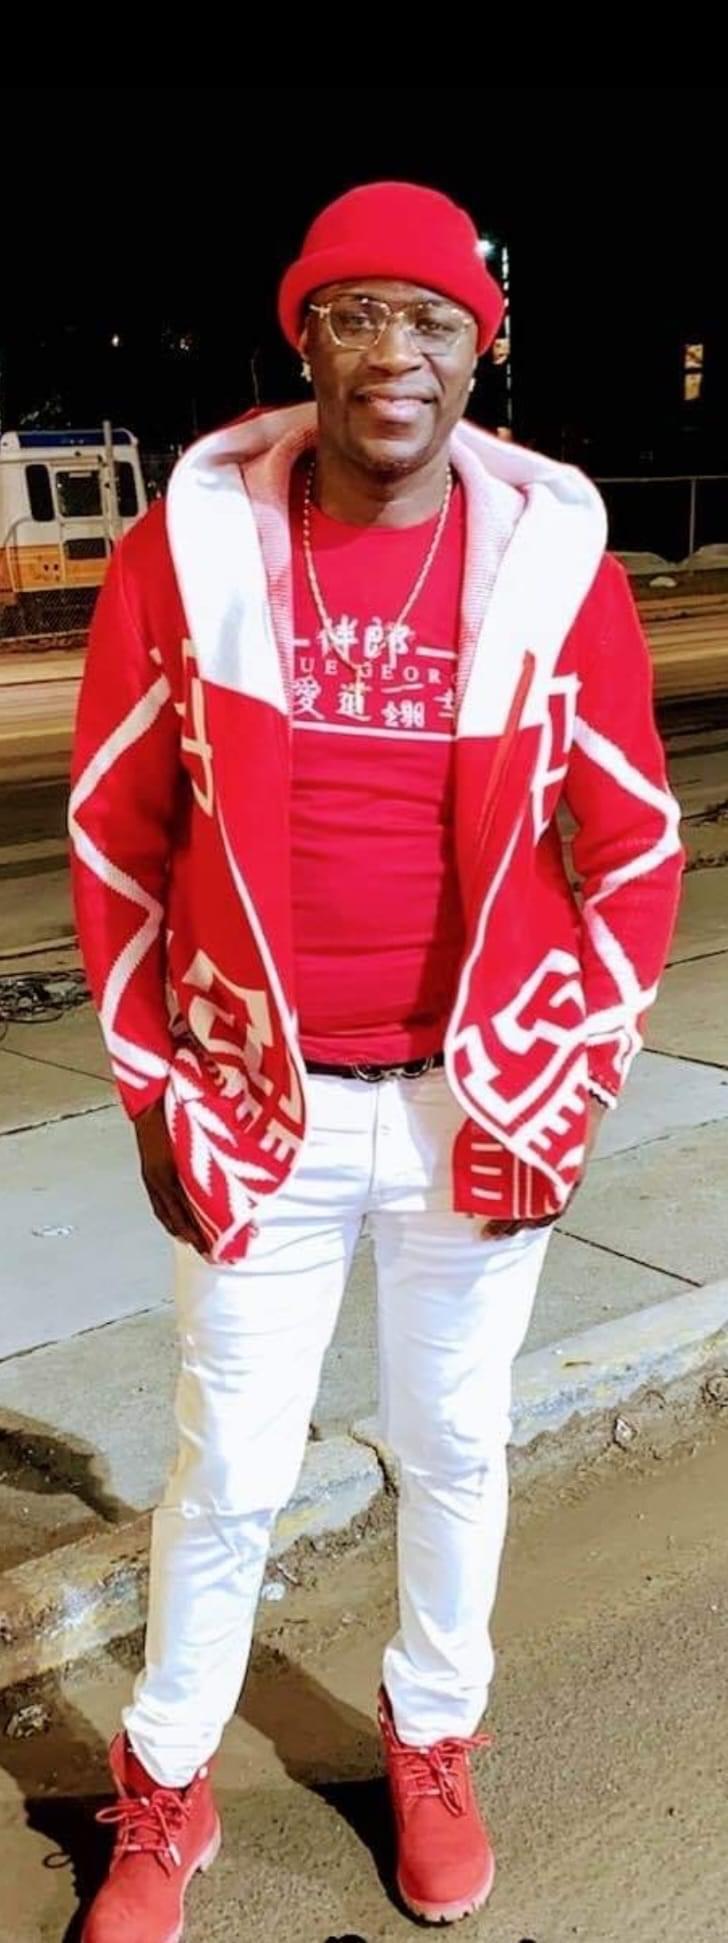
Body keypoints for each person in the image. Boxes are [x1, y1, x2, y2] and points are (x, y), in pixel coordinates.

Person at [70, 181, 683, 1937]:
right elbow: (115, 837)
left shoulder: (552, 569)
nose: (393, 351)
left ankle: (433, 1741)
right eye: (356, 314)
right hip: (251, 1100)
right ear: (308, 341)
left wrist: (574, 1080)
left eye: (431, 319)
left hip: (469, 1108)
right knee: (229, 1472)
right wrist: (150, 1089)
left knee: (457, 1446)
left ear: (481, 350)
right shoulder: (186, 558)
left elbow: (636, 850)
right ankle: (165, 1784)